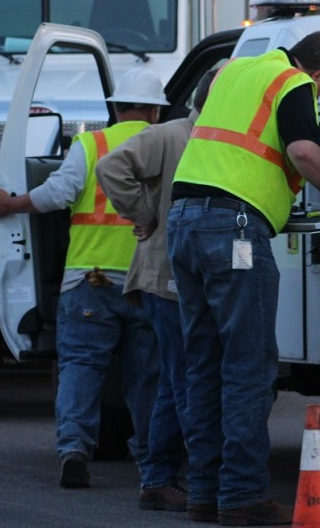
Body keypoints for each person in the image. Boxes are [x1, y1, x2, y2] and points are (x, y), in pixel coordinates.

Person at [166, 31, 320, 526]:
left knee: (203, 363)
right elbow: (305, 153)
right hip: (235, 231)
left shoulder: (233, 71)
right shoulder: (293, 83)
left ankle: (205, 493)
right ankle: (243, 495)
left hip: (183, 222)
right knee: (248, 365)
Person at [0, 67, 168, 489]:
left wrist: (12, 204)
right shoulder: (170, 144)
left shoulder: (93, 144)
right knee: (148, 375)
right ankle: (153, 459)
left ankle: (74, 451)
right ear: (156, 113)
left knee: (82, 368)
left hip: (92, 280)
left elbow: (56, 195)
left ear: (116, 108)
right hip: (149, 282)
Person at [95, 69, 218, 513]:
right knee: (186, 378)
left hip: (178, 280)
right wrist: (145, 214)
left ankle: (158, 478)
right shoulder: (171, 135)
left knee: (173, 379)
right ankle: (192, 478)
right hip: (165, 280)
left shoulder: (205, 137)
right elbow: (109, 166)